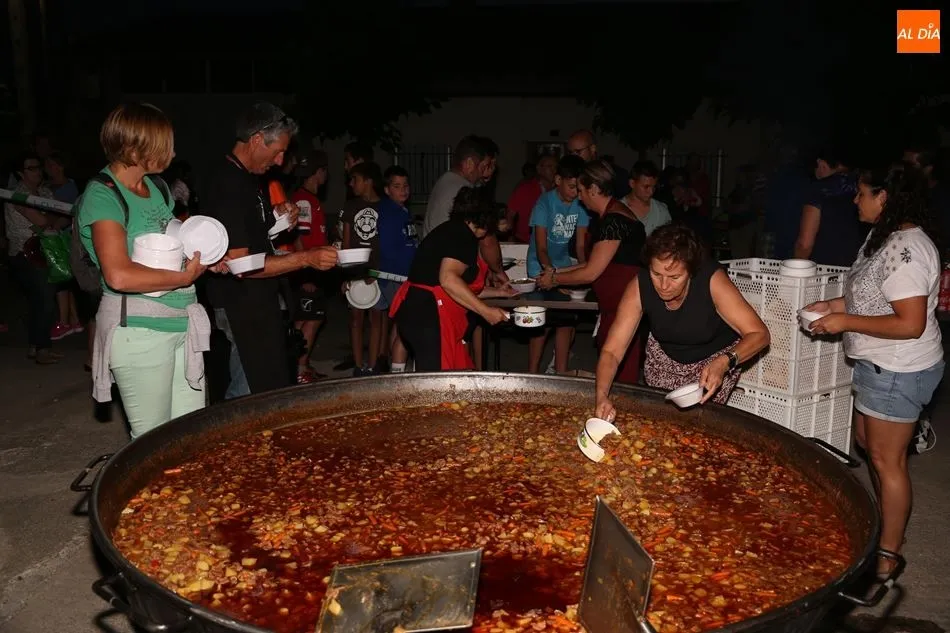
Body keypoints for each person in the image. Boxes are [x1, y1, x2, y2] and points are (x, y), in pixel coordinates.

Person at [806, 166, 944, 575]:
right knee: (867, 442)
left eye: (861, 193)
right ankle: (886, 525)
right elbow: (871, 297)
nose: (855, 200)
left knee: (887, 459)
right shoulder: (883, 236)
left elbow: (910, 323)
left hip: (900, 367)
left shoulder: (908, 250)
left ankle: (887, 554)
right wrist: (833, 306)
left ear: (884, 197)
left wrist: (844, 323)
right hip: (877, 363)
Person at [77, 103, 222, 438]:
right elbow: (119, 275)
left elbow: (173, 243)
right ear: (133, 148)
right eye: (164, 145)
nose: (172, 152)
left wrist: (207, 256)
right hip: (139, 332)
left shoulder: (157, 188)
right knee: (153, 446)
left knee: (190, 439)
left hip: (181, 324)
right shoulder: (103, 194)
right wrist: (184, 277)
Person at [202, 102, 338, 398]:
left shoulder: (248, 178)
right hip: (241, 304)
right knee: (249, 390)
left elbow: (249, 236)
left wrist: (276, 219)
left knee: (263, 385)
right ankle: (236, 442)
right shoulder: (228, 183)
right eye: (277, 151)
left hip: (257, 302)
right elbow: (242, 263)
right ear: (255, 140)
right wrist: (306, 258)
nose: (279, 161)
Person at [595, 224, 770, 420]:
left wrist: (725, 362)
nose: (663, 285)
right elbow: (612, 351)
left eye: (674, 277)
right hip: (664, 360)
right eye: (657, 274)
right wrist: (602, 396)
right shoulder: (639, 285)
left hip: (714, 361)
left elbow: (760, 334)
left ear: (691, 272)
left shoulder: (711, 280)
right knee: (660, 423)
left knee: (701, 424)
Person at [539, 159, 646, 384]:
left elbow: (591, 273)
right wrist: (557, 271)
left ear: (594, 189)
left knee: (618, 377)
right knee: (612, 373)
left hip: (623, 309)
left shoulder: (614, 221)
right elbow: (595, 263)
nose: (579, 196)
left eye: (581, 190)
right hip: (616, 308)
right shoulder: (611, 215)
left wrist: (555, 279)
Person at [391, 187, 513, 371]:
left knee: (457, 379)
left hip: (416, 310)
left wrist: (499, 292)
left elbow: (461, 286)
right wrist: (486, 311)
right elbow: (448, 279)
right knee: (439, 387)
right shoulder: (462, 236)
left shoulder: (450, 230)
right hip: (428, 316)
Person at [526, 155, 588, 374]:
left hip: (563, 266)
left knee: (566, 321)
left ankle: (561, 373)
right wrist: (551, 276)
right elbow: (541, 248)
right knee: (541, 321)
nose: (576, 192)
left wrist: (584, 272)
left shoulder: (581, 206)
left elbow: (580, 247)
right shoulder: (544, 203)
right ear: (558, 180)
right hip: (539, 267)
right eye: (572, 187)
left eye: (579, 188)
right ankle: (532, 373)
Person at [4, 151, 60, 364]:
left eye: (38, 167)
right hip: (24, 253)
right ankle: (42, 348)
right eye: (31, 168)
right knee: (44, 300)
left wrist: (46, 220)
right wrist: (46, 220)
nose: (37, 172)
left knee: (40, 301)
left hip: (47, 252)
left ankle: (36, 346)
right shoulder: (15, 195)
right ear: (20, 173)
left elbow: (57, 218)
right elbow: (43, 220)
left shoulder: (45, 192)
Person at [341, 162, 386, 376]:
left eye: (355, 179)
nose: (351, 184)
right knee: (356, 319)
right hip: (357, 270)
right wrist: (346, 275)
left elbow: (387, 243)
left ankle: (373, 364)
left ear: (368, 181)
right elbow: (346, 244)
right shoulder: (351, 207)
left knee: (376, 317)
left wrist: (378, 271)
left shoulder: (385, 207)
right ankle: (359, 367)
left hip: (377, 270)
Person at [290, 150, 331, 383]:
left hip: (312, 268)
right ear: (318, 172)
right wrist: (305, 272)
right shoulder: (304, 200)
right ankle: (300, 369)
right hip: (308, 270)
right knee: (310, 319)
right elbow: (299, 237)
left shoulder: (309, 199)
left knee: (309, 317)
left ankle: (301, 365)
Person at [794, 148, 868, 266]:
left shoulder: (817, 191)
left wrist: (794, 269)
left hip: (824, 272)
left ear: (821, 164)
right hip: (856, 268)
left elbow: (805, 244)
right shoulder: (866, 187)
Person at [377, 165, 418, 373]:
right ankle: (397, 372)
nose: (403, 190)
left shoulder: (402, 211)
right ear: (387, 189)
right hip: (394, 276)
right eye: (397, 186)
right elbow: (387, 248)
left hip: (404, 276)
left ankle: (395, 367)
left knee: (398, 323)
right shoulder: (388, 213)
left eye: (405, 185)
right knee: (406, 323)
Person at [508, 154, 557, 244]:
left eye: (556, 167)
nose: (554, 170)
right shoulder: (524, 189)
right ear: (539, 169)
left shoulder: (561, 191)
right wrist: (510, 236)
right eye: (550, 166)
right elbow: (510, 215)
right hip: (525, 241)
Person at [617, 160, 673, 237]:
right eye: (646, 187)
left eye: (654, 187)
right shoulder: (617, 210)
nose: (651, 192)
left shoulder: (662, 211)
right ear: (632, 183)